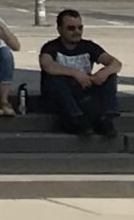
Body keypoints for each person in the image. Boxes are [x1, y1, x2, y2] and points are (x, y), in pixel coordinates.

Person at [37, 8, 123, 138]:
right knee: (54, 79)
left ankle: (107, 117)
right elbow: (47, 65)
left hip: (84, 90)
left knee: (111, 75)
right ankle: (76, 118)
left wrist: (103, 73)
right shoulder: (51, 47)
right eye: (71, 28)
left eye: (80, 28)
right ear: (59, 29)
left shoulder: (88, 46)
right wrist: (75, 73)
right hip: (62, 96)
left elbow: (116, 63)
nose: (77, 32)